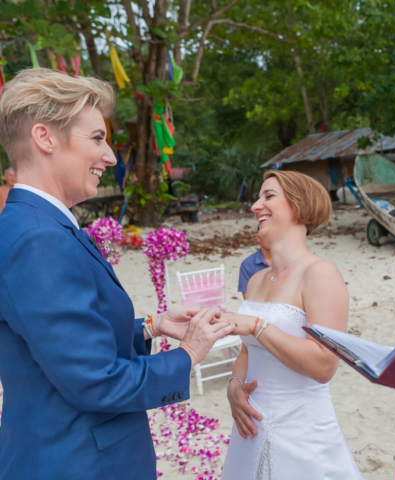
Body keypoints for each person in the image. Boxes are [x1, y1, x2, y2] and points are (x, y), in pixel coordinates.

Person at [0, 68, 236, 480]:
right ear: (45, 138)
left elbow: (59, 343)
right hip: (79, 463)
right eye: (96, 138)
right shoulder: (38, 239)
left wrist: (151, 326)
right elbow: (96, 382)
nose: (110, 156)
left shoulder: (41, 226)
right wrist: (188, 355)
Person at [215, 170, 363, 479]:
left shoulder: (320, 274)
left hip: (302, 436)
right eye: (258, 198)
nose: (256, 206)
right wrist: (234, 386)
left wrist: (258, 326)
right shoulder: (255, 280)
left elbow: (324, 366)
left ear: (299, 205)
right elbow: (247, 353)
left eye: (268, 197)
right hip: (250, 428)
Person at [238, 226, 271, 299]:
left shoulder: (288, 260)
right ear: (258, 238)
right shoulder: (247, 264)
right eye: (267, 235)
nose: (271, 238)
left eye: (275, 234)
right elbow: (247, 298)